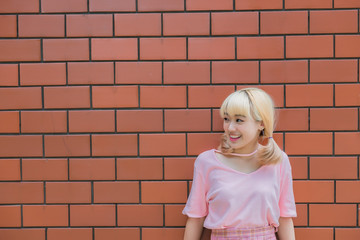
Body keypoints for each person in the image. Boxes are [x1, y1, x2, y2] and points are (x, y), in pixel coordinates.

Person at [183, 88, 297, 240]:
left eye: (239, 120)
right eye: (226, 119)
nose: (230, 128)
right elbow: (196, 219)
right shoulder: (206, 162)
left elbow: (284, 218)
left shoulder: (278, 161)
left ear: (261, 123)